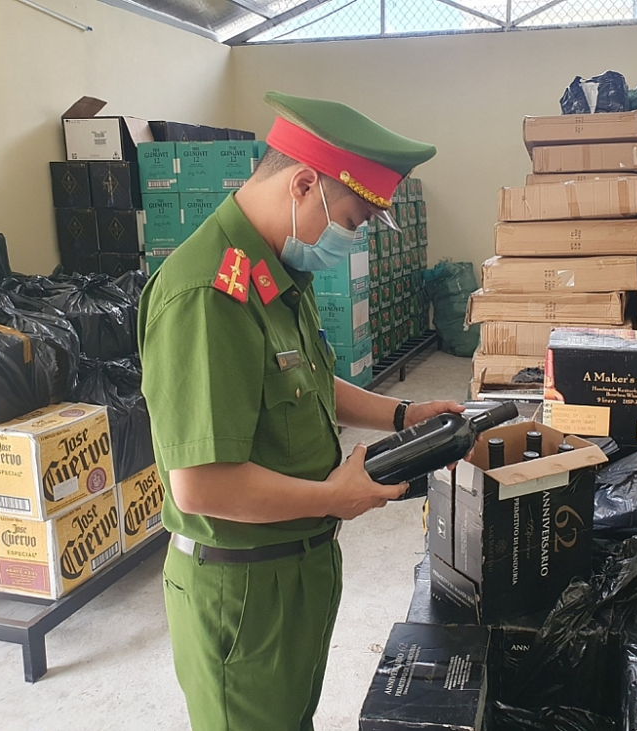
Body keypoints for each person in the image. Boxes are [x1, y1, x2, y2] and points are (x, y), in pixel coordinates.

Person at [138, 92, 460, 731]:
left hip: (296, 567)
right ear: (304, 184)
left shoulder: (276, 269)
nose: (352, 237)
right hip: (243, 592)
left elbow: (309, 380)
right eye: (352, 220)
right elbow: (201, 486)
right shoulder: (208, 296)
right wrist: (333, 497)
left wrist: (405, 415)